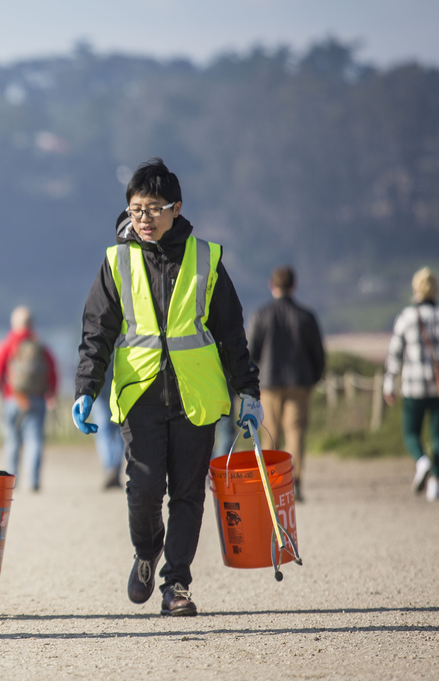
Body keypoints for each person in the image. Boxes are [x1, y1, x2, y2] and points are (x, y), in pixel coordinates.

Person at [72, 158, 260, 617]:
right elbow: (98, 330)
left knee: (188, 494)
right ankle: (146, 551)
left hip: (197, 395)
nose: (145, 219)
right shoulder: (116, 260)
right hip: (139, 393)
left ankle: (176, 584)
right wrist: (85, 387)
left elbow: (231, 332)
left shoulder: (206, 259)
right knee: (143, 489)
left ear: (176, 208)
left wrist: (248, 391)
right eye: (137, 209)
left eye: (154, 208)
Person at [382, 267, 439, 502]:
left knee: (411, 432)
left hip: (414, 387)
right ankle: (435, 482)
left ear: (415, 290)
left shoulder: (406, 318)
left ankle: (422, 461)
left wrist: (389, 383)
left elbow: (395, 354)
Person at [248, 265, 326, 501]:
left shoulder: (261, 314)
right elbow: (318, 354)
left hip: (269, 382)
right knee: (296, 433)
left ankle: (272, 484)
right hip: (299, 382)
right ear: (294, 286)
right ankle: (296, 482)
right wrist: (313, 378)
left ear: (272, 286)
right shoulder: (306, 316)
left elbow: (252, 350)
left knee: (270, 434)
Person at [0, 306, 58, 491]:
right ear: (31, 324)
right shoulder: (40, 346)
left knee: (12, 440)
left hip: (12, 399)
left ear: (14, 324)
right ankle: (33, 482)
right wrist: (51, 394)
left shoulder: (8, 345)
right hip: (37, 400)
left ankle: (11, 481)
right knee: (34, 440)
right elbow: (53, 371)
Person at [89, 367, 125, 490]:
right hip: (121, 393)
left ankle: (109, 467)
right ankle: (116, 468)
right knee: (120, 433)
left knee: (102, 433)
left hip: (101, 394)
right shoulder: (125, 347)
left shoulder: (97, 347)